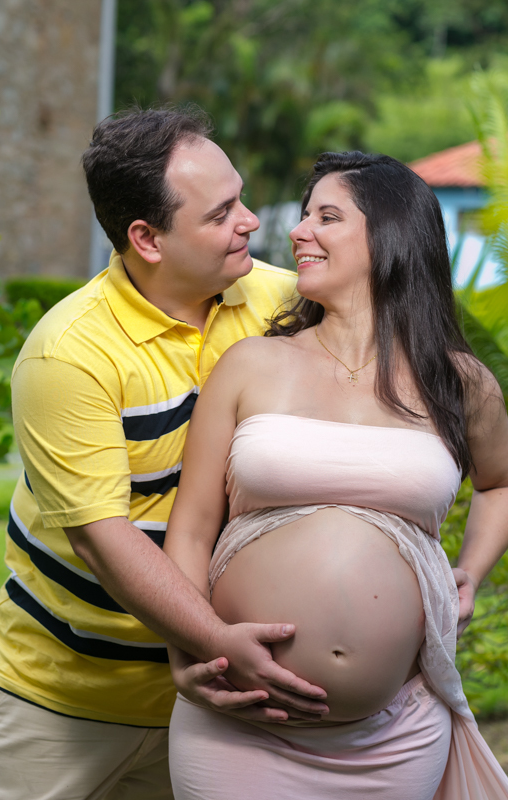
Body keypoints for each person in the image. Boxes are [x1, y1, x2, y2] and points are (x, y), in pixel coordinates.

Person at [0, 107, 329, 800]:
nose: (249, 220)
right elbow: (104, 540)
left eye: (241, 198)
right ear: (146, 238)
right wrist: (218, 639)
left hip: (226, 699)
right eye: (221, 213)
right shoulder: (70, 353)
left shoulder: (282, 303)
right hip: (66, 696)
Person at [164, 151, 508, 799]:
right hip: (239, 723)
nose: (298, 232)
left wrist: (469, 575)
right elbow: (190, 531)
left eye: (326, 216)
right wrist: (192, 652)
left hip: (394, 734)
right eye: (301, 216)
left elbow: (498, 484)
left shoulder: (459, 382)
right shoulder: (250, 364)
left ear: (390, 235)